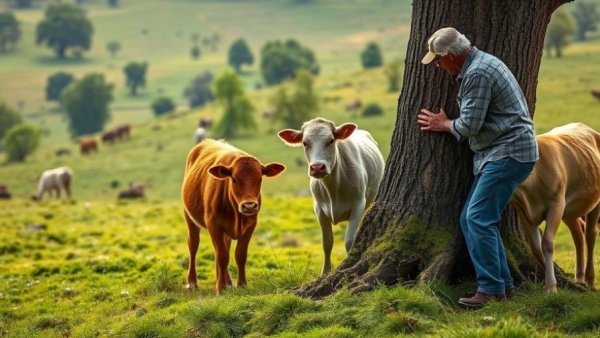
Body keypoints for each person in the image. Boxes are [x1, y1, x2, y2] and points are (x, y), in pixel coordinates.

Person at [417, 27, 538, 307]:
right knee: (472, 219)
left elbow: (470, 125)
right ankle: (503, 285)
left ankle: (492, 289)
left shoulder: (477, 73)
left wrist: (443, 124)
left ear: (451, 56)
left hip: (508, 154)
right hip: (501, 153)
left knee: (478, 219)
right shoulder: (480, 64)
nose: (436, 64)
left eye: (438, 59)